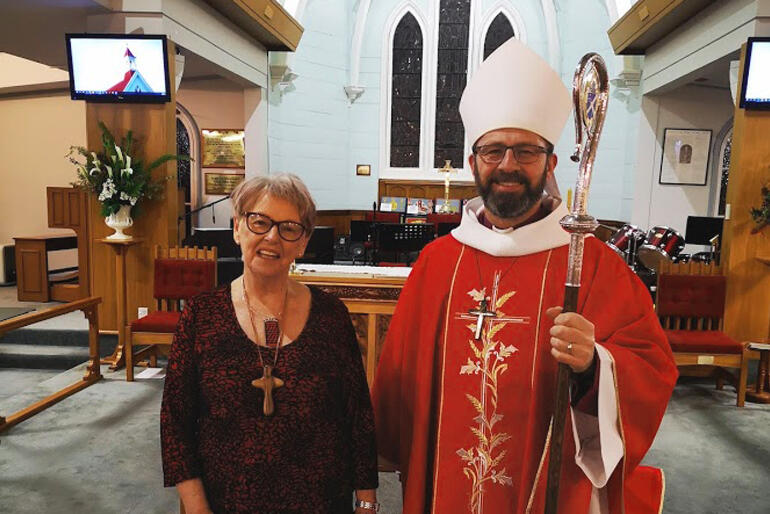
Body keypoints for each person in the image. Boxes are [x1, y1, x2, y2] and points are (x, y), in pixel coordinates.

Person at [372, 38, 678, 514]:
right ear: (473, 162)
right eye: (493, 151)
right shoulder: (436, 263)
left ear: (551, 163)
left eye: (526, 151)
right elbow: (399, 380)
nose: (508, 165)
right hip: (443, 486)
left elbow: (650, 367)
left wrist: (594, 364)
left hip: (546, 490)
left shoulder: (594, 264)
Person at [161, 173, 380, 514]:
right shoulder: (201, 316)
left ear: (303, 242)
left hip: (320, 501)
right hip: (226, 502)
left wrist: (366, 501)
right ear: (237, 228)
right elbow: (176, 421)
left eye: (289, 227)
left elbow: (358, 415)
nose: (272, 237)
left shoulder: (331, 316)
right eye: (259, 222)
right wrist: (195, 507)